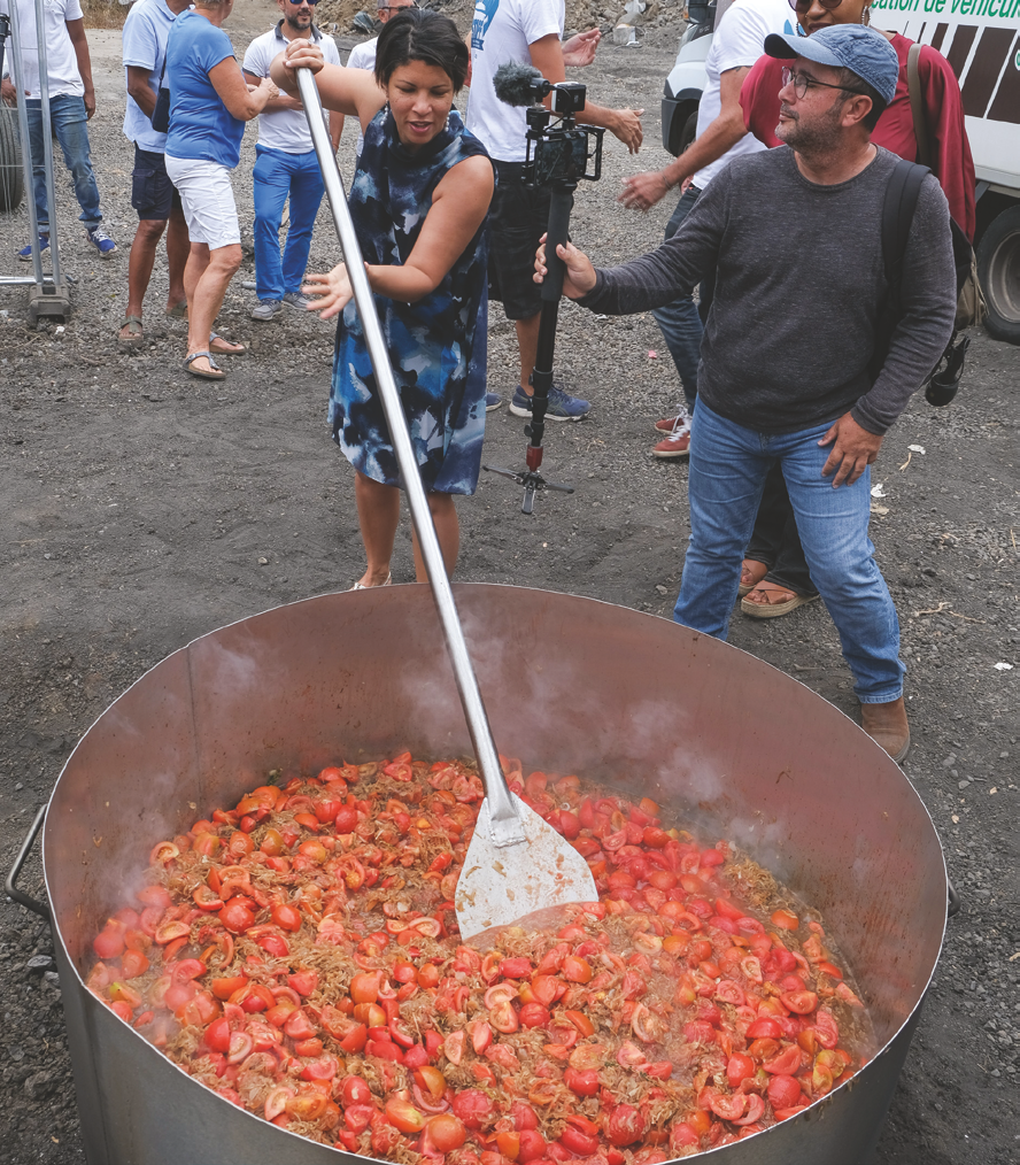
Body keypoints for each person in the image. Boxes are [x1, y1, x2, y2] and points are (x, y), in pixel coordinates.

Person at [535, 25, 957, 762]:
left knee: (840, 565)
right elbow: (672, 270)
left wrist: (872, 415)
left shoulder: (906, 196)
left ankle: (881, 691)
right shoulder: (746, 180)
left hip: (827, 427)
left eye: (803, 81)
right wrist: (594, 284)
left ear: (855, 108)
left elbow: (931, 317)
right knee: (713, 554)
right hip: (726, 415)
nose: (781, 92)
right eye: (787, 76)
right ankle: (690, 681)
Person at [734, 0, 976, 618]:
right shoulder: (779, 65)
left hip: (875, 293)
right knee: (770, 401)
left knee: (838, 427)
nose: (813, 7)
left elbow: (949, 176)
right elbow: (758, 139)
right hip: (794, 273)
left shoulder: (919, 69)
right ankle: (764, 540)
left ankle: (806, 564)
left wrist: (948, 290)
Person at [272, 8, 493, 589]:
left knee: (428, 487)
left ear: (458, 85)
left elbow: (422, 275)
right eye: (408, 89)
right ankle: (376, 574)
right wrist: (287, 57)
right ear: (385, 82)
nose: (422, 105)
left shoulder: (470, 170)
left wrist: (359, 276)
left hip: (435, 342)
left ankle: (429, 606)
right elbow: (286, 76)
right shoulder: (372, 109)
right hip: (368, 315)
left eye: (439, 91)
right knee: (371, 463)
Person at [618, 0, 795, 459]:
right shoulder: (779, 9)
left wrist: (668, 175)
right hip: (753, 178)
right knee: (722, 306)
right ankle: (725, 416)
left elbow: (737, 115)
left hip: (727, 184)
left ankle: (708, 414)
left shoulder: (742, 14)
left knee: (667, 290)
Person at [466, 0, 642, 420]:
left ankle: (464, 384)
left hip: (481, 154)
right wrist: (612, 119)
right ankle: (531, 387)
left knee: (472, 273)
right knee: (538, 273)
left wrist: (558, 53)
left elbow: (502, 67)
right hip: (519, 161)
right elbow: (555, 99)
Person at [164, 0, 277, 380]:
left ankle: (203, 334)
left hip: (184, 152)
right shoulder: (211, 37)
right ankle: (196, 349)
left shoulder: (182, 24)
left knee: (201, 248)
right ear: (229, 4)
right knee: (228, 256)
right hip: (202, 159)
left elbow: (211, 82)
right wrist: (269, 90)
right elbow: (243, 108)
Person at [243, 0, 342, 323]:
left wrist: (332, 147)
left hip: (314, 153)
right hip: (274, 151)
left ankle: (290, 286)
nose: (305, 5)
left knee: (303, 226)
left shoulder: (327, 45)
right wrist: (288, 100)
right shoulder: (261, 46)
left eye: (311, 0)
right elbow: (248, 99)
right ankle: (269, 294)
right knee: (267, 220)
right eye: (297, 0)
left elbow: (338, 99)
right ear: (281, 3)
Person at [1, 0, 116, 260]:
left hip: (65, 89)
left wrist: (89, 88)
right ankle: (43, 234)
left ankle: (94, 227)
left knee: (79, 163)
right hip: (26, 92)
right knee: (35, 166)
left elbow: (78, 38)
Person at [117, 0, 191, 347]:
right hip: (154, 140)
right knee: (151, 224)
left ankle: (177, 296)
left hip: (184, 138)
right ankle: (134, 311)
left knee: (181, 218)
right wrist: (172, 126)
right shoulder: (145, 14)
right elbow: (137, 85)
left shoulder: (192, 15)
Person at [345, 0, 418, 159]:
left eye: (413, 8)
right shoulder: (362, 53)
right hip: (371, 152)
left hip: (413, 154)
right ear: (383, 15)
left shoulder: (424, 52)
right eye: (403, 9)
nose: (411, 14)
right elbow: (348, 100)